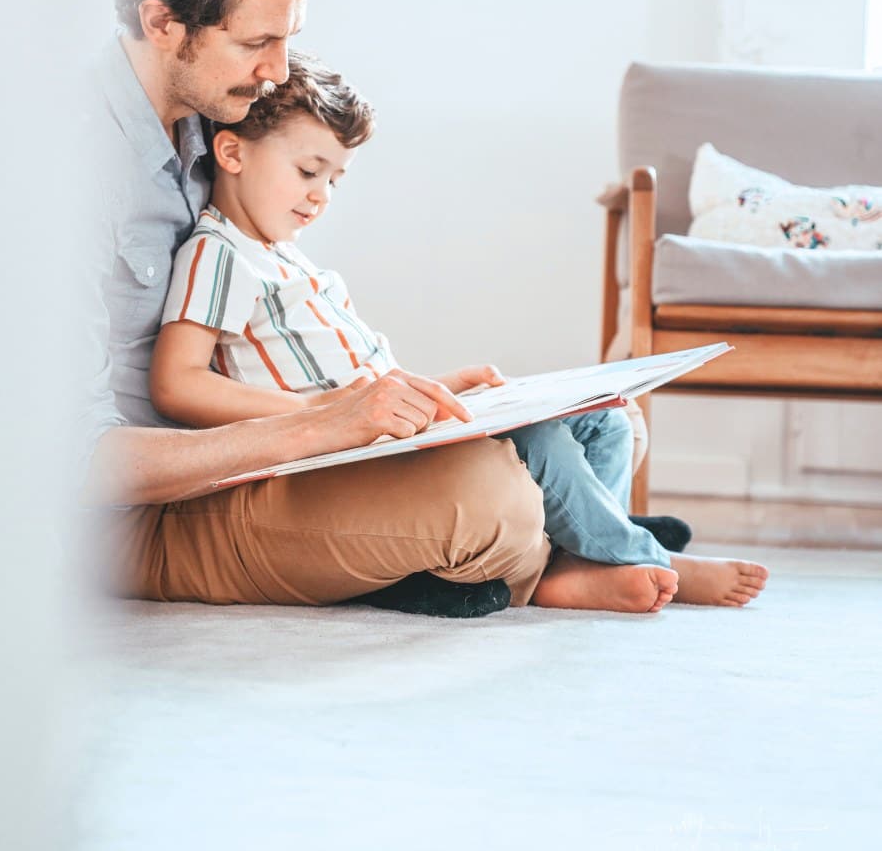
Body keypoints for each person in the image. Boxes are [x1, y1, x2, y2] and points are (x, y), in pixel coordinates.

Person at [82, 0, 766, 616]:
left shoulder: (215, 123)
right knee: (496, 496)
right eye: (257, 42)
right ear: (162, 23)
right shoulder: (65, 178)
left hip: (251, 465)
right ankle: (585, 555)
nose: (277, 72)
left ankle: (575, 545)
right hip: (144, 507)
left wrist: (408, 398)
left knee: (595, 425)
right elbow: (79, 454)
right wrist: (321, 421)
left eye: (287, 40)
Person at [149, 49, 768, 612]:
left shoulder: (290, 260)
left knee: (605, 419)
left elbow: (365, 382)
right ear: (232, 154)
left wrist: (438, 390)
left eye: (334, 180)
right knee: (542, 439)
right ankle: (644, 558)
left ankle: (577, 560)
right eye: (309, 171)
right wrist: (317, 413)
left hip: (381, 429)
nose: (321, 197)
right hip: (338, 455)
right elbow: (177, 384)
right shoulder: (219, 253)